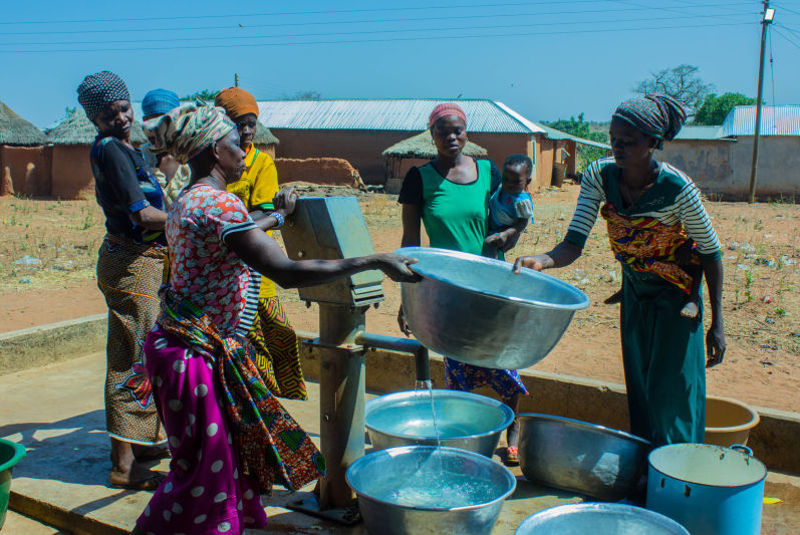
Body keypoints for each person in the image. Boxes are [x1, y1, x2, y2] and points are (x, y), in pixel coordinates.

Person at [134, 103, 418, 535]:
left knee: (224, 456)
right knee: (200, 474)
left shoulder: (186, 199)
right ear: (215, 148)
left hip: (177, 345)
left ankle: (233, 524)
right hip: (193, 356)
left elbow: (238, 229)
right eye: (235, 143)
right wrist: (376, 259)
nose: (244, 151)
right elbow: (286, 272)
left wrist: (280, 216)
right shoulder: (220, 205)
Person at [514, 94, 726, 446]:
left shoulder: (678, 190)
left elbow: (711, 253)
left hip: (677, 297)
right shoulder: (600, 175)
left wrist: (718, 324)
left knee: (672, 389)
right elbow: (573, 243)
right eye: (614, 139)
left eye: (629, 141)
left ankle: (675, 479)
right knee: (641, 385)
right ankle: (644, 471)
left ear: (654, 143)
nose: (618, 147)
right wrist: (544, 260)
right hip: (635, 291)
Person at [398, 102, 528, 465]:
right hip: (447, 291)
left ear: (466, 132)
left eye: (457, 130)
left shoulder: (488, 171)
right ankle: (468, 438)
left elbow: (515, 215)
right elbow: (411, 243)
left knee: (505, 357)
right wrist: (409, 298)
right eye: (443, 131)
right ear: (432, 135)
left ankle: (513, 429)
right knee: (458, 366)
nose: (451, 137)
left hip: (492, 283)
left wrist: (511, 236)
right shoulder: (419, 178)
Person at [77, 71, 168, 490]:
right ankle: (123, 466)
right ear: (95, 119)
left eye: (125, 109)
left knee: (145, 354)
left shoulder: (125, 148)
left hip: (138, 261)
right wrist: (194, 220)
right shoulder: (112, 150)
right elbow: (142, 215)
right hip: (132, 264)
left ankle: (143, 441)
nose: (121, 117)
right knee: (130, 359)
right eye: (110, 114)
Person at [213, 87, 306, 401]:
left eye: (252, 123)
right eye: (240, 123)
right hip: (221, 272)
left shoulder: (262, 164)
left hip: (254, 269)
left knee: (270, 339)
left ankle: (265, 405)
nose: (248, 131)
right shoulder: (212, 161)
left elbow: (264, 210)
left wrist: (225, 224)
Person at [141, 88, 191, 206]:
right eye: (152, 124)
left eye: (163, 123)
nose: (157, 130)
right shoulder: (141, 157)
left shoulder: (191, 155)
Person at [484, 154, 534, 260]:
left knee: (490, 244)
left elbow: (522, 223)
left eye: (516, 182)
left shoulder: (521, 201)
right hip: (493, 225)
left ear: (527, 182)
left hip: (504, 230)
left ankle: (494, 267)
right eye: (506, 179)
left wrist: (506, 234)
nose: (509, 184)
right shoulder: (501, 189)